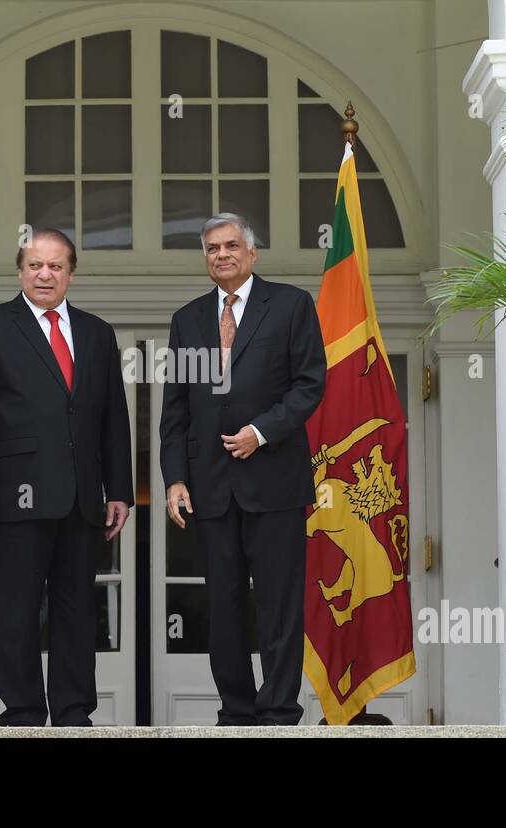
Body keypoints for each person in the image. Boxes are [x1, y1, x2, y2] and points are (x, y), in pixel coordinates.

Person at [0, 228, 133, 726]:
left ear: (71, 273)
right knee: (16, 611)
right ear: (20, 271)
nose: (44, 274)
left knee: (77, 613)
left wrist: (119, 489)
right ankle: (24, 714)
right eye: (34, 265)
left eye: (55, 266)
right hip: (12, 494)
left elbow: (112, 416)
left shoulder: (97, 333)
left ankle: (74, 715)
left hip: (81, 499)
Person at [159, 213, 327, 725]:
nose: (221, 255)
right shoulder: (187, 319)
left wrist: (261, 431)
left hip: (274, 481)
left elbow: (309, 384)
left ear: (252, 254)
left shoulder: (292, 305)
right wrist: (175, 478)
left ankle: (278, 711)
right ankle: (235, 712)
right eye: (212, 248)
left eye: (231, 246)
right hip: (210, 488)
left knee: (278, 605)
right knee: (223, 607)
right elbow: (176, 409)